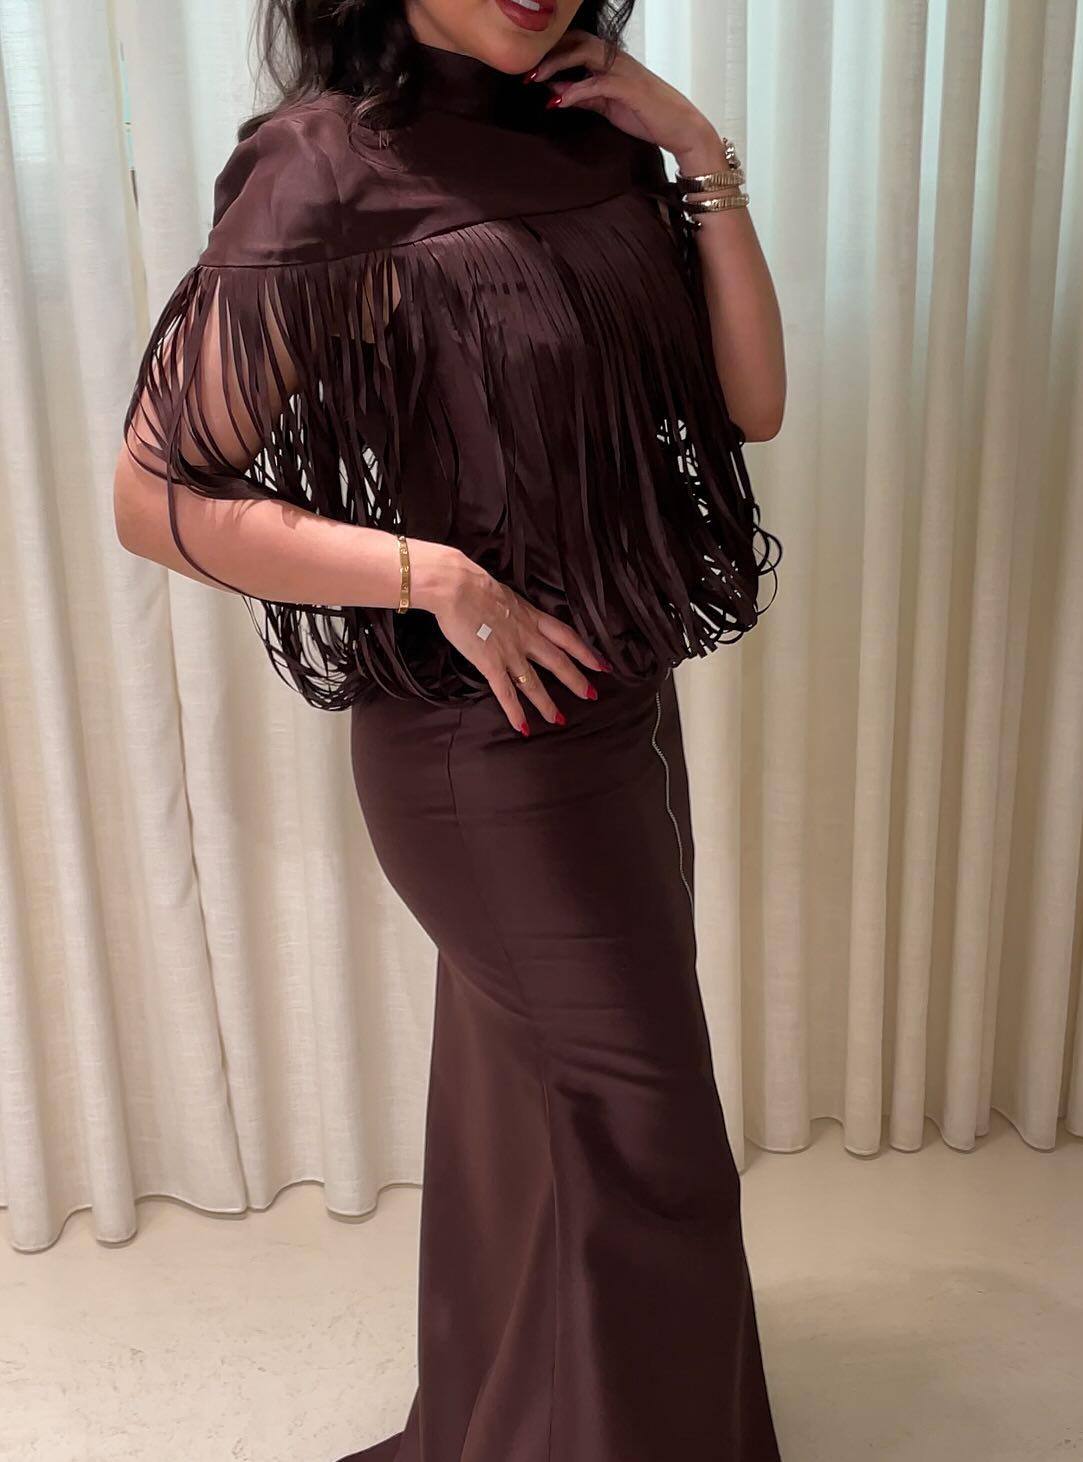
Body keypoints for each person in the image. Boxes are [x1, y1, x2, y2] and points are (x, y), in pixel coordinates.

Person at [113, 1, 787, 1457]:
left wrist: (694, 148)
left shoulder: (596, 139)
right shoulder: (324, 164)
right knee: (648, 1136)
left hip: (621, 703)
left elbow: (753, 401)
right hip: (482, 749)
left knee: (541, 1114)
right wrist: (436, 579)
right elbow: (155, 494)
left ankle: (518, 1417)